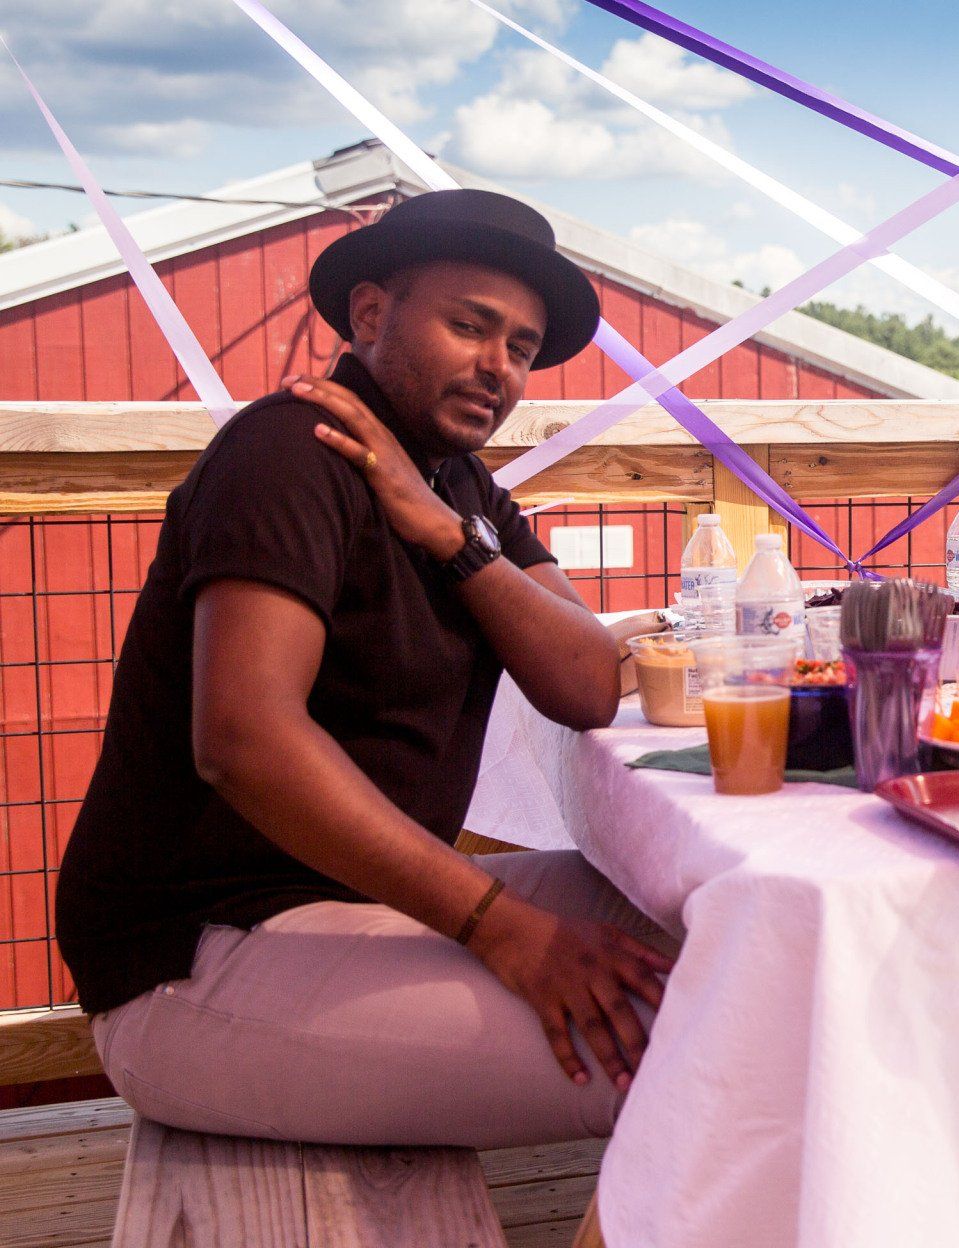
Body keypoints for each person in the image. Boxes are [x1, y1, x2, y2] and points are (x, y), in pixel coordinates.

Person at [54, 189, 674, 1148]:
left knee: (725, 931)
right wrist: (506, 928)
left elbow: (586, 681)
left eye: (520, 346)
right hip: (199, 958)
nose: (497, 367)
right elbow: (245, 742)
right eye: (470, 326)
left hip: (361, 912)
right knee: (698, 1051)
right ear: (374, 314)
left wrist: (454, 544)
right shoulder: (286, 454)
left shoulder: (457, 484)